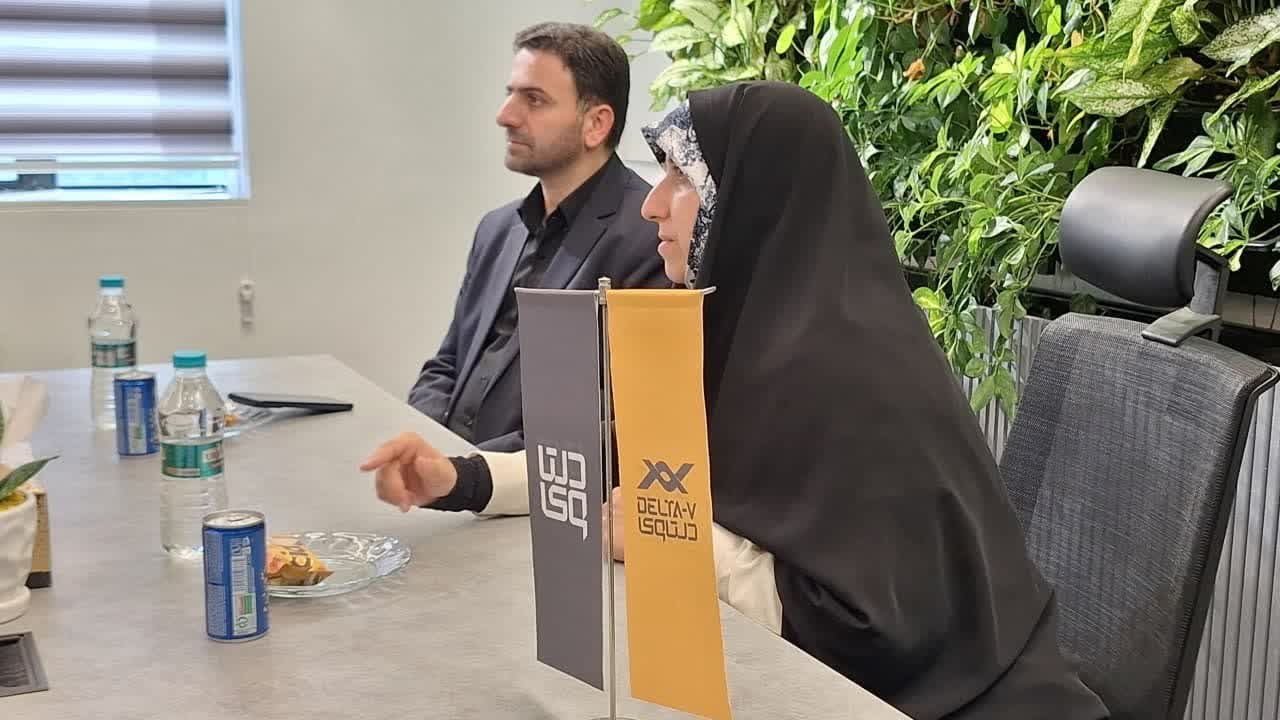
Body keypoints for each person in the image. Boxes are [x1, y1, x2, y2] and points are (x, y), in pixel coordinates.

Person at [363, 81, 1110, 719]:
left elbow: (878, 631)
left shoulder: (852, 375)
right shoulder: (745, 328)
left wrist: (680, 546)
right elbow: (626, 462)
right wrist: (461, 478)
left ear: (755, 202)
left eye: (681, 179)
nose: (652, 206)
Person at [406, 22, 667, 452]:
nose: (505, 115)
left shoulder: (651, 237)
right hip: (449, 471)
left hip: (529, 484)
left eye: (534, 99)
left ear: (596, 124)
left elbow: (615, 421)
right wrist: (424, 446)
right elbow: (448, 363)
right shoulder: (496, 229)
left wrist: (469, 473)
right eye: (510, 94)